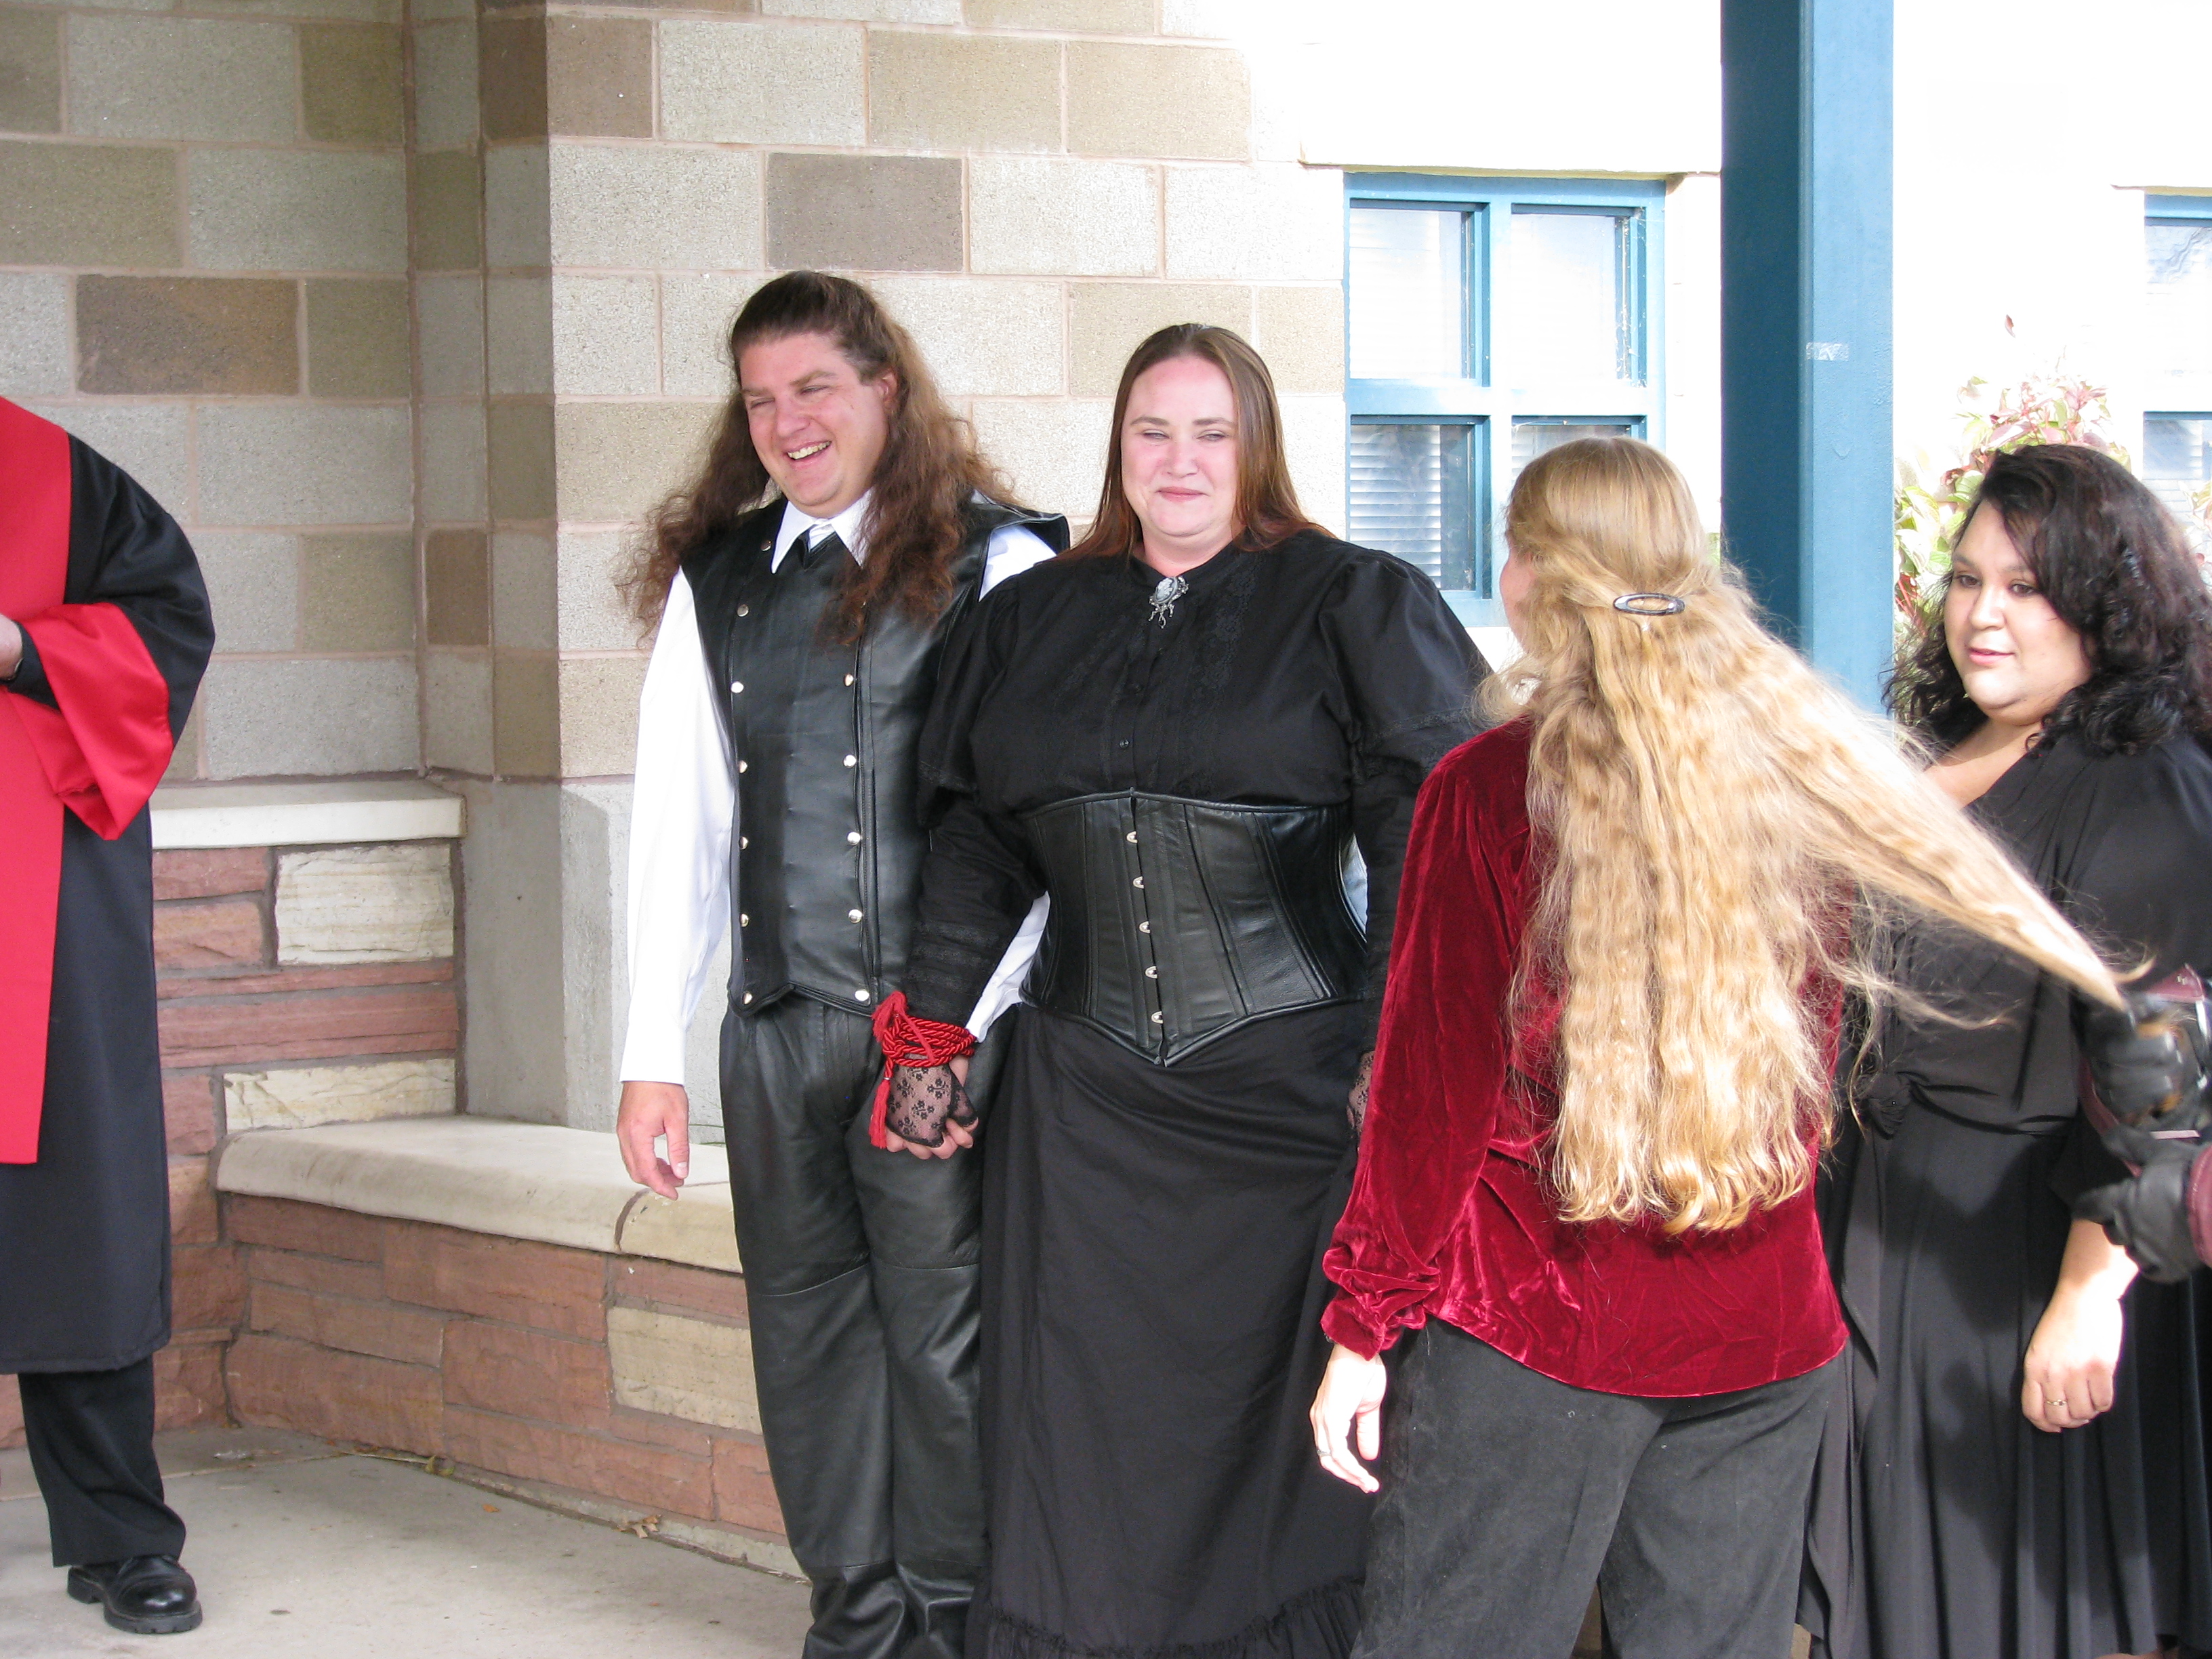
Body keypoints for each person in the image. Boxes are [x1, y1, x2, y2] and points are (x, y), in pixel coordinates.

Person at [1311, 436, 2125, 1659]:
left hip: (1541, 1332)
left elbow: (1434, 1096)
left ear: (1532, 579)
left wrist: (1363, 1326)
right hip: (1765, 1335)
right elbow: (1815, 1056)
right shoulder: (1791, 775)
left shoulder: (1487, 789)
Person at [885, 323, 1482, 1659]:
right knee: (1079, 1420)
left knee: (1282, 1436)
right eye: (1152, 432)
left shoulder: (1350, 601)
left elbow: (1426, 840)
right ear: (1118, 446)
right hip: (1083, 1112)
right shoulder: (1031, 617)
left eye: (1213, 433)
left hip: (1291, 1102)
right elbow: (982, 842)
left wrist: (1394, 1053)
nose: (1180, 461)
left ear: (1256, 445)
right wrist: (931, 1037)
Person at [614, 272, 1065, 1659]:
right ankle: (856, 1625)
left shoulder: (997, 563)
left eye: (814, 386)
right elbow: (679, 822)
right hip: (773, 1033)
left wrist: (958, 1036)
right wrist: (649, 1053)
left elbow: (1031, 829)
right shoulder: (718, 580)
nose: (787, 422)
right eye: (760, 398)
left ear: (884, 387)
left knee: (943, 1344)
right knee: (805, 1342)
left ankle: (956, 1626)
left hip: (935, 1038)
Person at [1797, 443, 2212, 1659]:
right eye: (1970, 580)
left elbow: (2163, 1068)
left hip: (2032, 1247)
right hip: (1889, 1224)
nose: (1985, 615)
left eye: (2028, 588)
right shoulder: (1937, 751)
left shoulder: (2145, 784)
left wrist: (2089, 1297)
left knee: (2006, 1604)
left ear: (2108, 605)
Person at [0, 398, 215, 1635]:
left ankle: (118, 1531)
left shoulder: (49, 479)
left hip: (38, 901)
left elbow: (165, 623)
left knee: (73, 1205)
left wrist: (21, 650)